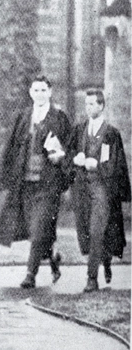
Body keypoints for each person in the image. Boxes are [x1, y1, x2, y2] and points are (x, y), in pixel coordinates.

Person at [0, 75, 72, 288]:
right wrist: (4, 175)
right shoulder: (23, 117)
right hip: (25, 184)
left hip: (48, 185)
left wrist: (61, 157)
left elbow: (69, 148)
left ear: (50, 92)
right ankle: (53, 257)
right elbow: (11, 147)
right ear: (30, 93)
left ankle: (30, 275)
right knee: (36, 230)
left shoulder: (59, 118)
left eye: (43, 90)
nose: (39, 94)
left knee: (38, 230)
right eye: (35, 90)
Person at [69, 89, 131, 292]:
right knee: (87, 231)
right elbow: (70, 153)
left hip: (101, 188)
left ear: (101, 106)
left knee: (97, 230)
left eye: (93, 104)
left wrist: (97, 165)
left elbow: (114, 164)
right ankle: (105, 260)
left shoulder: (110, 133)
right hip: (82, 189)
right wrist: (75, 159)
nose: (89, 108)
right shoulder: (79, 130)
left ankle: (91, 278)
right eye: (86, 104)